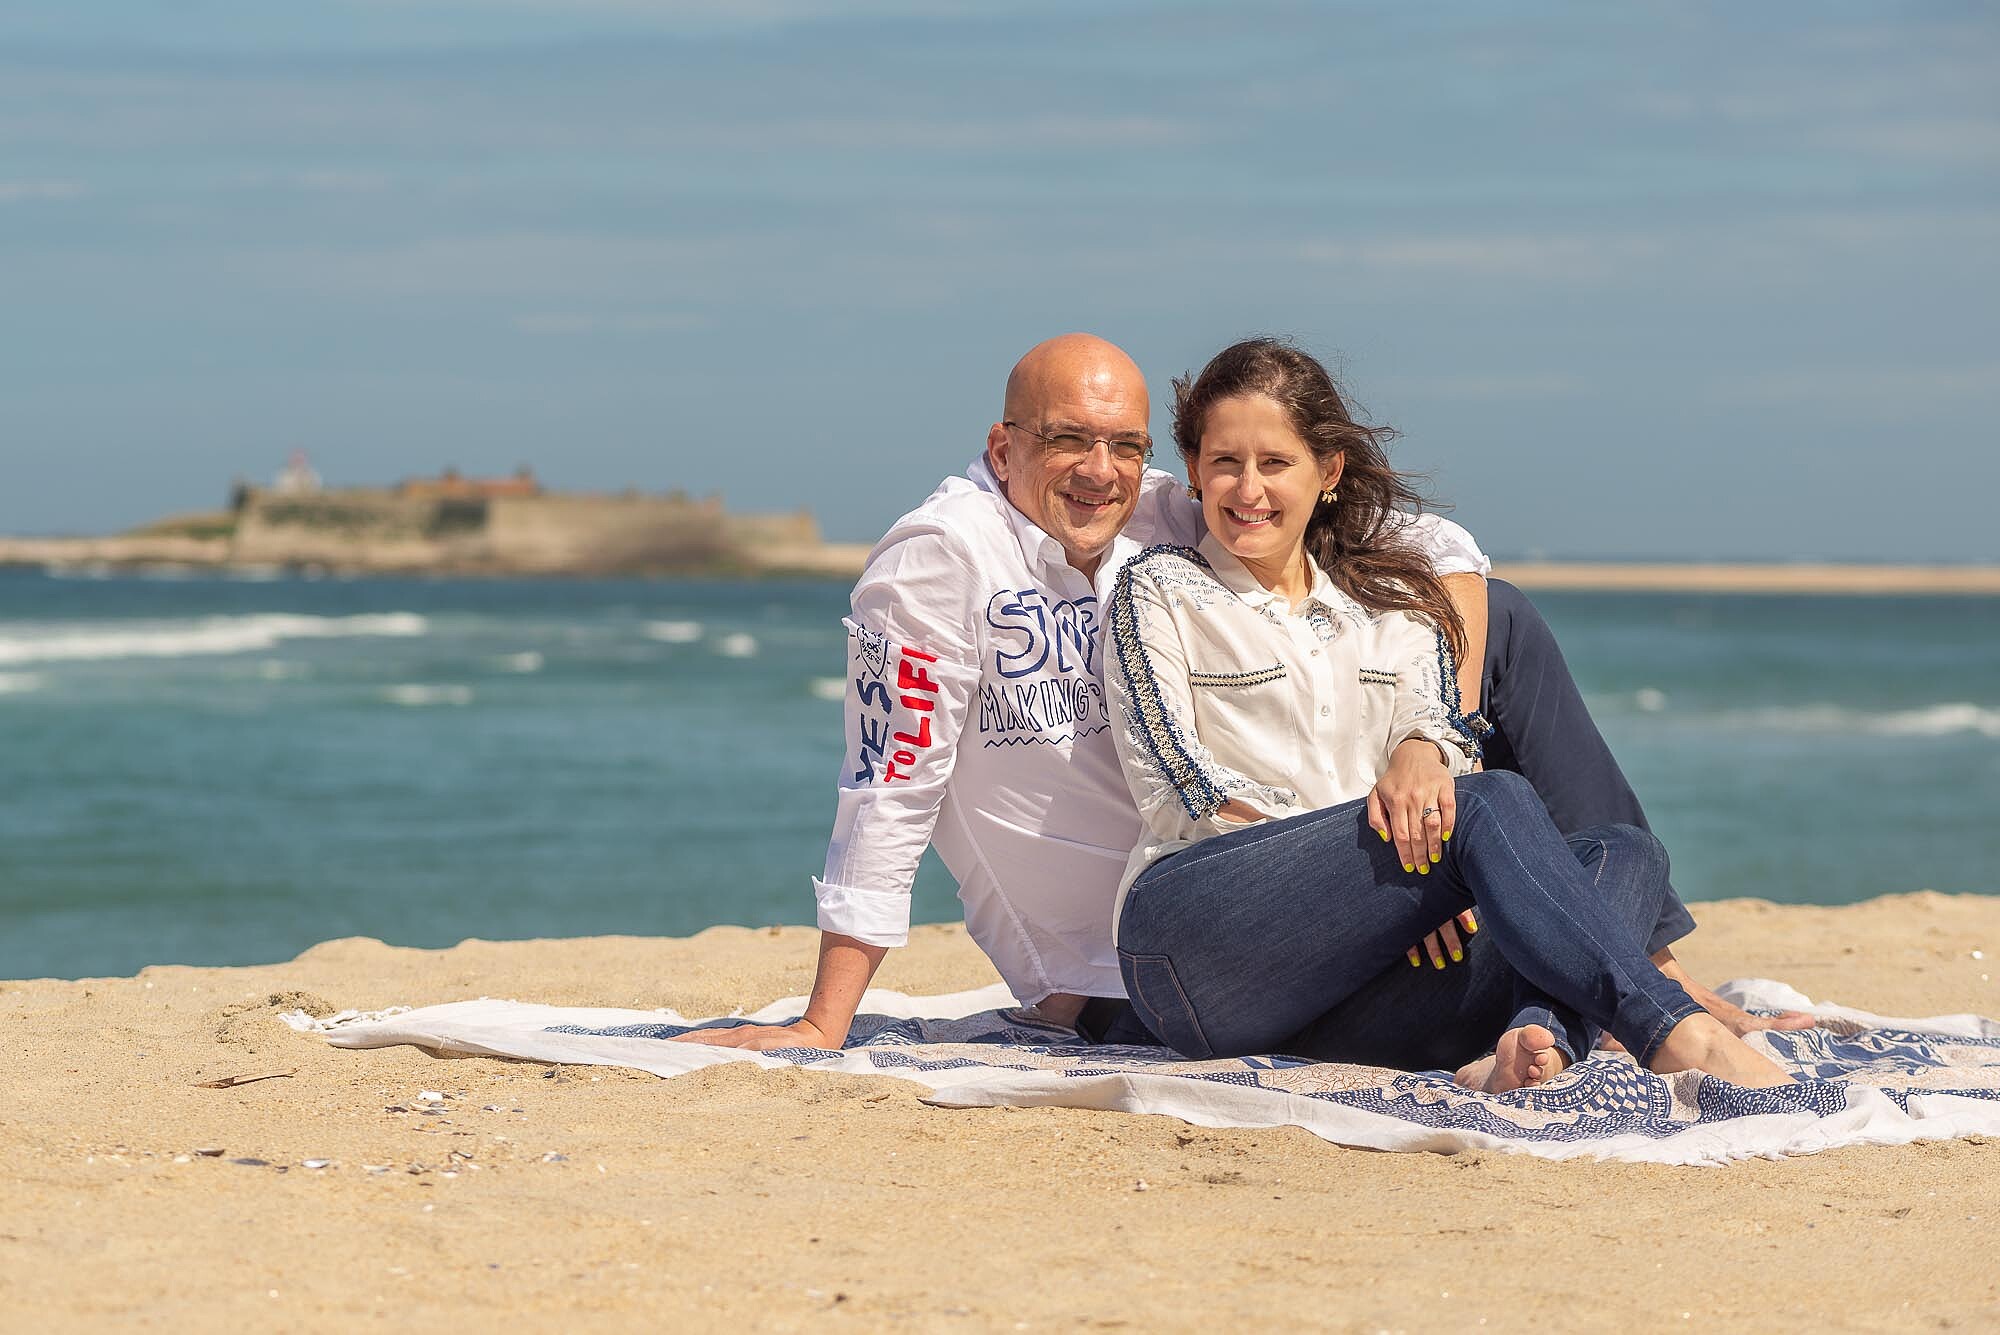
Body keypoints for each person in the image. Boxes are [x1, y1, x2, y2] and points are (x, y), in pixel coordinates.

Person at [676, 333, 1800, 1057]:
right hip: (1133, 952)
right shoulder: (940, 565)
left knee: (1548, 722)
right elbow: (891, 775)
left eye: (1121, 444)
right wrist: (827, 1018)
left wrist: (1427, 732)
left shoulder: (1155, 507)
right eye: (1066, 440)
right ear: (1002, 444)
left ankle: (1572, 1004)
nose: (1099, 470)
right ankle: (1653, 1010)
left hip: (1313, 923)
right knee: (1494, 811)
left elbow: (1425, 538)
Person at [1104, 337, 1793, 1089]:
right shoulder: (1158, 591)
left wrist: (1411, 844)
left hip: (1346, 1001)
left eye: (1275, 463)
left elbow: (1440, 740)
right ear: (1195, 468)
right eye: (1224, 461)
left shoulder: (1388, 607)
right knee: (1493, 803)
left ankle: (1540, 1035)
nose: (1247, 488)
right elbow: (1179, 793)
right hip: (1194, 945)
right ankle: (1678, 1033)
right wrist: (1399, 885)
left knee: (1625, 854)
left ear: (1327, 471)